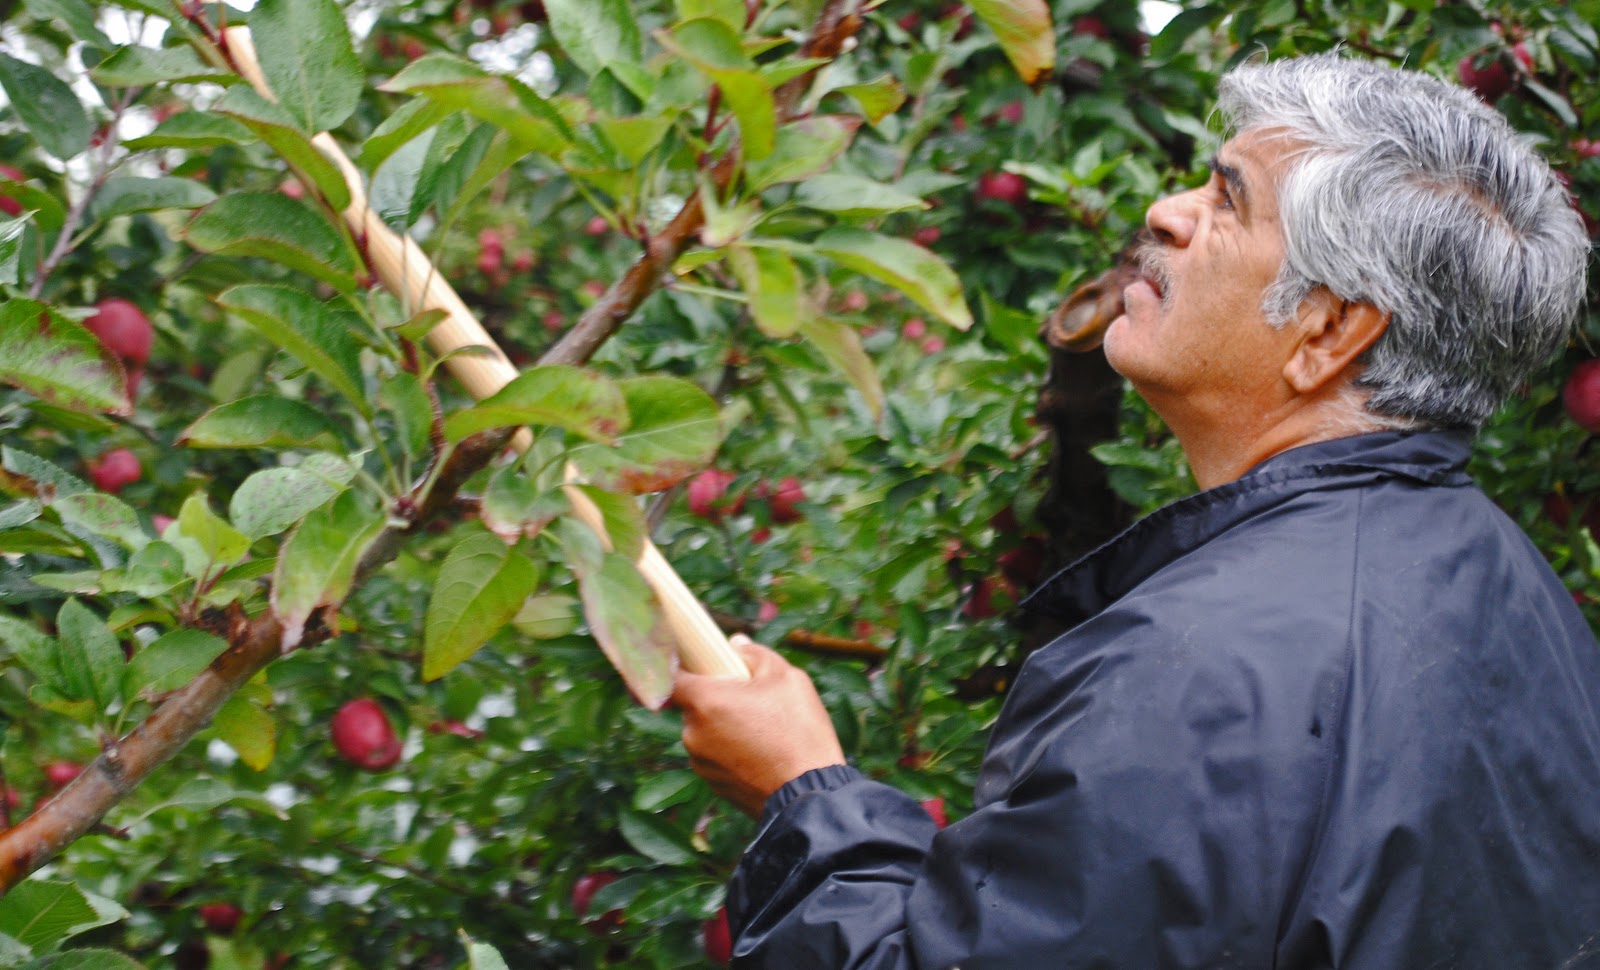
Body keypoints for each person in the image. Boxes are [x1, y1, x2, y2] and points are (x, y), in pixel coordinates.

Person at [672, 51, 1600, 969]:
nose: (1166, 212)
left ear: (1327, 331)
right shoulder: (1528, 600)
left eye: (1228, 199)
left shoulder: (1196, 676)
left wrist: (803, 793)